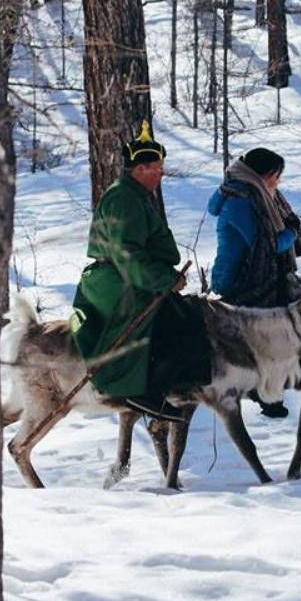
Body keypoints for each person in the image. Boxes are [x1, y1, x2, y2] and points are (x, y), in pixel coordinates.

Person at [71, 121, 204, 421]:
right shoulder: (124, 199)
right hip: (117, 282)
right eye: (156, 168)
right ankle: (139, 391)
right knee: (172, 321)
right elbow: (126, 252)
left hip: (126, 276)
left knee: (185, 315)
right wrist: (165, 279)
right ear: (140, 169)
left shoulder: (134, 196)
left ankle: (165, 386)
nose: (160, 174)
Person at [207, 148, 301, 417]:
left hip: (250, 275)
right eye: (277, 177)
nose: (278, 184)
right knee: (270, 334)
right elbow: (267, 244)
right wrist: (293, 234)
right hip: (238, 281)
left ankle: (269, 389)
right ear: (267, 175)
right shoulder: (241, 201)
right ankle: (264, 393)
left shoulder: (253, 194)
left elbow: (275, 235)